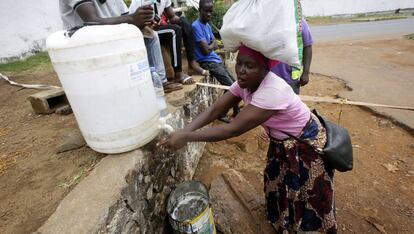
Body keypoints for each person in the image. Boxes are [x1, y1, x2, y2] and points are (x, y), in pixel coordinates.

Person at [161, 45, 337, 233]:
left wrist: (186, 137)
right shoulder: (243, 84)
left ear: (265, 69)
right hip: (281, 142)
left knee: (308, 193)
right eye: (239, 63)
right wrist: (184, 131)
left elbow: (233, 129)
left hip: (305, 144)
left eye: (250, 66)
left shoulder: (272, 91)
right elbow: (215, 110)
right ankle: (283, 222)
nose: (241, 70)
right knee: (278, 183)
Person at [59, 0, 182, 93]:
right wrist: (132, 18)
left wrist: (141, 23)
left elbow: (127, 21)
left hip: (113, 36)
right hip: (84, 44)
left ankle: (160, 82)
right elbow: (91, 21)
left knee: (151, 35)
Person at [130, 0, 201, 84]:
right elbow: (138, 22)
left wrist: (183, 21)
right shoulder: (142, 1)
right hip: (140, 30)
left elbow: (172, 17)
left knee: (185, 24)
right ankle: (178, 73)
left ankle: (192, 63)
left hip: (154, 28)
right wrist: (152, 25)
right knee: (174, 31)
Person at [192, 0, 240, 121]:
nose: (209, 14)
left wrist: (211, 45)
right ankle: (221, 113)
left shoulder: (207, 25)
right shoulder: (196, 26)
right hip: (208, 62)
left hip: (216, 60)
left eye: (210, 12)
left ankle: (236, 109)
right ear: (199, 10)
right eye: (206, 11)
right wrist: (211, 45)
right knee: (230, 87)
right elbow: (205, 51)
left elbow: (214, 45)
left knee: (235, 84)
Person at [271, 18, 313, 94]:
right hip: (268, 77)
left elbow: (307, 46)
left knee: (291, 104)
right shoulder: (268, 20)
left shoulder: (299, 21)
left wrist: (305, 73)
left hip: (290, 77)